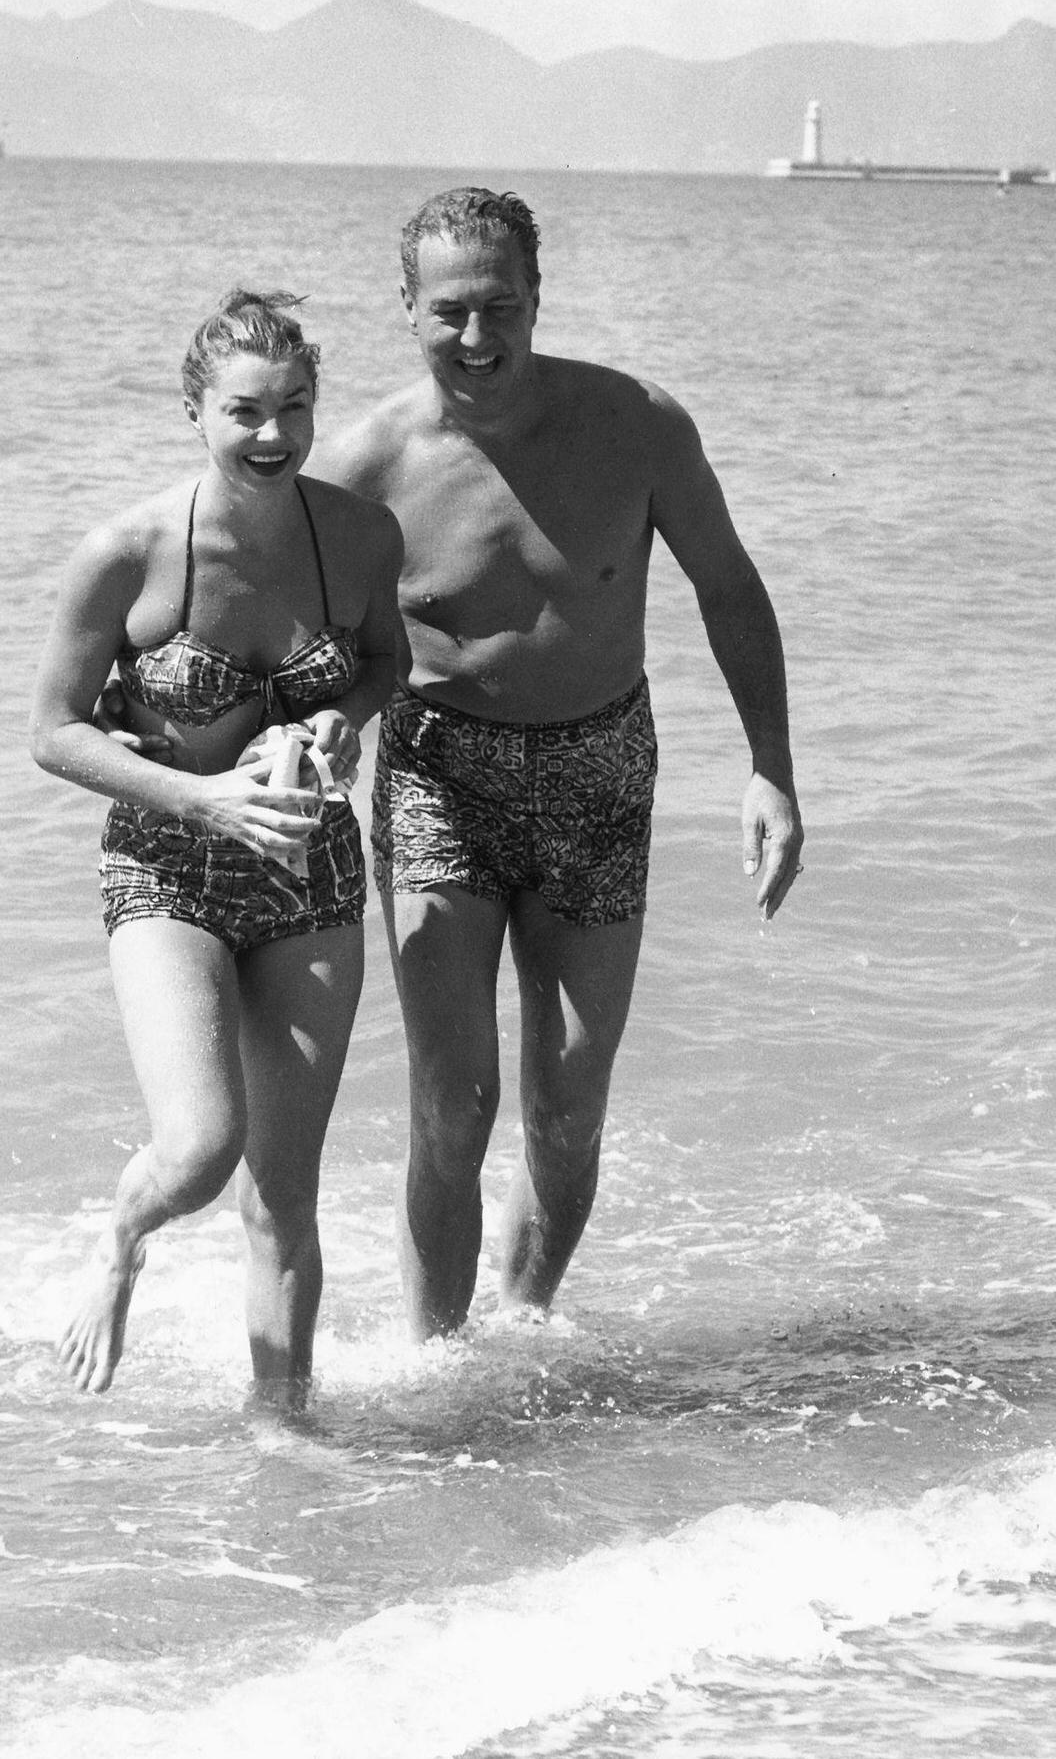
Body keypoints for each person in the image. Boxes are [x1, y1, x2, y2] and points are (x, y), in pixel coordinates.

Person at [317, 188, 804, 1340]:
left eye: (501, 310)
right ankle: (434, 1361)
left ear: (539, 301)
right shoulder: (361, 468)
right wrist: (302, 734)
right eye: (450, 315)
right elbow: (303, 646)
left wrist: (769, 767)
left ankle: (522, 1327)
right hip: (439, 774)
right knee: (451, 1103)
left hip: (599, 769)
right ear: (405, 308)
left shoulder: (637, 426)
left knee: (567, 1108)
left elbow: (726, 587)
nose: (477, 340)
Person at [30, 287, 404, 1399]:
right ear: (193, 410)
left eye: (294, 407)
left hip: (310, 870)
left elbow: (383, 661)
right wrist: (204, 801)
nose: (274, 435)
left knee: (284, 1191)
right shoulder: (128, 551)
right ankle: (119, 1241)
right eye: (244, 410)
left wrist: (344, 714)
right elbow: (52, 733)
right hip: (166, 868)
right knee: (199, 1151)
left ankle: (280, 1434)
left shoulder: (358, 536)